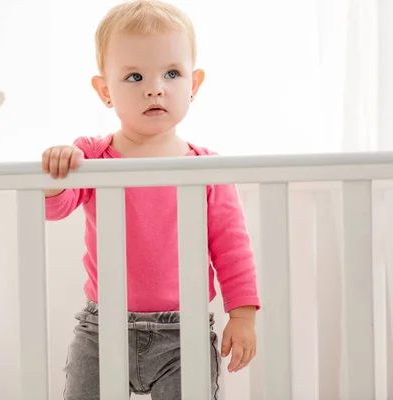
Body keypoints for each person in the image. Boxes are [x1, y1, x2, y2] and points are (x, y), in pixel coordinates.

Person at [41, 1, 260, 398]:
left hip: (184, 332)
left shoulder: (206, 169)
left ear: (193, 84)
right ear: (105, 91)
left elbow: (232, 247)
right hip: (101, 330)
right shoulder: (91, 156)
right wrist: (57, 172)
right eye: (134, 76)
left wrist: (242, 315)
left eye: (172, 73)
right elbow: (55, 207)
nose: (154, 87)